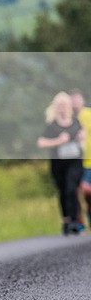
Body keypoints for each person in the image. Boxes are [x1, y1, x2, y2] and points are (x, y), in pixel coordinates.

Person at [37, 91, 86, 235]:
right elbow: (41, 142)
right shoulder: (52, 126)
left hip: (75, 161)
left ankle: (74, 220)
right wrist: (58, 141)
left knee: (72, 188)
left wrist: (81, 136)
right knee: (63, 190)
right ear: (56, 107)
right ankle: (66, 220)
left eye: (65, 104)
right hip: (59, 163)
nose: (63, 107)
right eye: (61, 105)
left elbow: (83, 134)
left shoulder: (76, 121)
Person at [70, 89, 91, 228]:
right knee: (76, 191)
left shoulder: (89, 114)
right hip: (75, 161)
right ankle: (79, 222)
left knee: (86, 191)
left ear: (82, 100)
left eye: (77, 99)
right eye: (73, 100)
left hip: (89, 160)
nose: (75, 102)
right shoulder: (69, 118)